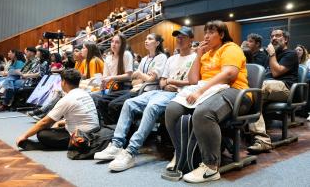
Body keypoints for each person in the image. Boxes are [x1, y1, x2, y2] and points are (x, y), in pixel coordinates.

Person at [94, 26, 196, 172]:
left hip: (181, 94)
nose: (179, 39)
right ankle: (116, 145)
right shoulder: (172, 59)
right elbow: (162, 81)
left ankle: (130, 151)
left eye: (183, 37)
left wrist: (171, 82)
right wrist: (166, 83)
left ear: (191, 39)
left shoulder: (195, 58)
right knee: (129, 103)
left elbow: (193, 82)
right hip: (162, 91)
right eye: (177, 37)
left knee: (152, 106)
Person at [165, 20, 251, 183]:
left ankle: (211, 167)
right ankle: (181, 153)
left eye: (211, 32)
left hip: (236, 92)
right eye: (205, 32)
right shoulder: (205, 54)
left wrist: (200, 91)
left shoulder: (230, 48)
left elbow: (229, 74)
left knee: (204, 113)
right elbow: (193, 80)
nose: (206, 36)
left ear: (222, 35)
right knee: (172, 110)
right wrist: (198, 55)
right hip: (209, 91)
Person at [16, 69, 99, 151]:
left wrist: (25, 135)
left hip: (81, 136)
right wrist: (60, 122)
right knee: (55, 127)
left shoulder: (67, 99)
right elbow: (81, 117)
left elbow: (44, 122)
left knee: (42, 134)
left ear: (64, 82)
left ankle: (46, 146)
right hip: (93, 132)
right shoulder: (84, 93)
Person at [94, 33, 167, 125]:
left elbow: (151, 79)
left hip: (148, 91)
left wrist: (140, 75)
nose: (146, 41)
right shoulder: (144, 59)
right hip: (136, 89)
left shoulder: (161, 57)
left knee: (114, 105)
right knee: (102, 101)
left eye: (149, 39)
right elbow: (135, 80)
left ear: (157, 43)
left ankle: (119, 129)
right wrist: (142, 77)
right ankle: (111, 127)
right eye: (146, 38)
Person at [248, 28, 299, 153]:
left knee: (259, 88)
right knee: (249, 90)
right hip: (269, 87)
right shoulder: (270, 55)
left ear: (285, 39)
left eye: (277, 35)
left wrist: (271, 54)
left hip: (286, 88)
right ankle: (244, 130)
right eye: (272, 36)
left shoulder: (291, 54)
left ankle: (262, 140)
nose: (274, 38)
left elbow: (276, 73)